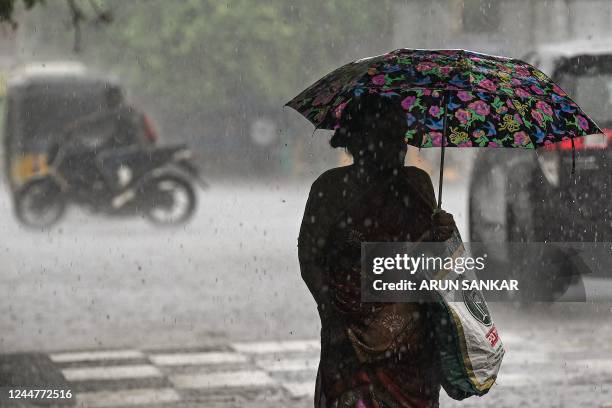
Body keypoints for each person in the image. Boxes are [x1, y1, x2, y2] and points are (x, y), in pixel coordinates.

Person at [298, 93, 456, 408]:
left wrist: (445, 235)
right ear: (358, 142)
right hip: (349, 333)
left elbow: (436, 261)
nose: (398, 147)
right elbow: (310, 258)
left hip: (412, 337)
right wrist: (332, 312)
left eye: (399, 137)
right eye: (385, 137)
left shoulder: (417, 183)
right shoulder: (330, 188)